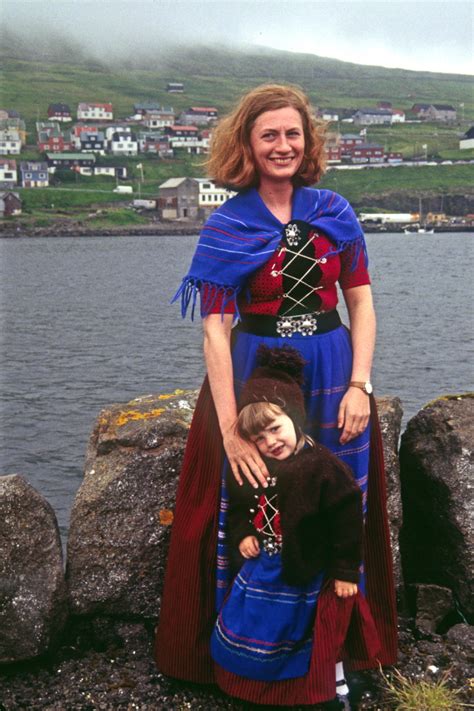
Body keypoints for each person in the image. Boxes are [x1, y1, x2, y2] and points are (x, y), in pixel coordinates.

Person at [155, 83, 397, 707]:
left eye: (293, 133)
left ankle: (339, 653)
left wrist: (360, 386)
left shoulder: (336, 212)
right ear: (248, 145)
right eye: (269, 135)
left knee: (340, 498)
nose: (282, 145)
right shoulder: (227, 223)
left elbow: (361, 301)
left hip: (331, 367)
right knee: (258, 503)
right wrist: (231, 424)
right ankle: (251, 660)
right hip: (253, 370)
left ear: (307, 141)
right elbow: (214, 326)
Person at [210, 344, 379, 703]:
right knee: (261, 625)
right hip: (265, 569)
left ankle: (330, 686)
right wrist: (243, 535)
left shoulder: (323, 468)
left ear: (295, 417)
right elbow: (243, 505)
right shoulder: (257, 466)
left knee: (315, 633)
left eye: (274, 428)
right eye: (258, 438)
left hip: (308, 570)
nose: (270, 442)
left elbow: (346, 522)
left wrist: (346, 571)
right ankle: (263, 689)